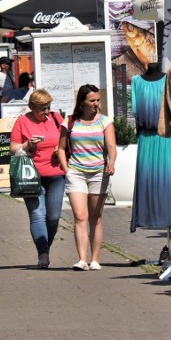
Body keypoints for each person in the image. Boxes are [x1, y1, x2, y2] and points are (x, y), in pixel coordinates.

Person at [57, 84, 117, 271]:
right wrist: (67, 170)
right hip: (76, 173)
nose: (96, 104)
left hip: (99, 173)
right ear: (82, 102)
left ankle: (95, 259)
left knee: (96, 217)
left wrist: (111, 162)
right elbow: (60, 148)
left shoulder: (104, 121)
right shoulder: (70, 122)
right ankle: (82, 259)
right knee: (80, 216)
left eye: (98, 100)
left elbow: (111, 147)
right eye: (92, 100)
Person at [9, 90, 66, 268]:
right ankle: (43, 254)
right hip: (31, 177)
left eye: (48, 107)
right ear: (32, 107)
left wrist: (60, 148)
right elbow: (12, 148)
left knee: (54, 217)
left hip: (56, 175)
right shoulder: (22, 122)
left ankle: (45, 247)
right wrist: (27, 145)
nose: (47, 112)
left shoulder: (56, 118)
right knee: (37, 215)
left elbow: (67, 139)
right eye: (42, 109)